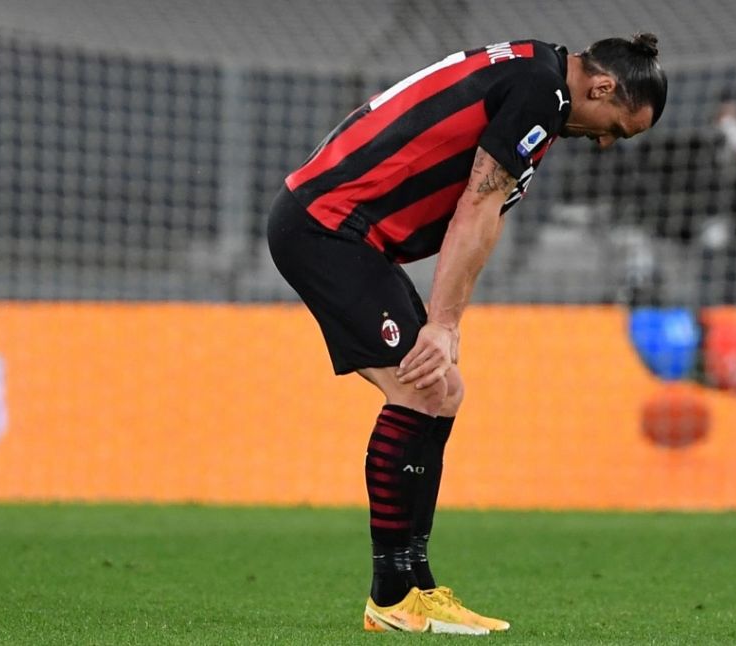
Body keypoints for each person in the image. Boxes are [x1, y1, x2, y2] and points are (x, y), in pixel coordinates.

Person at [267, 33, 667, 634]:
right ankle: (389, 596)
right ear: (603, 87)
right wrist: (444, 322)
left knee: (444, 390)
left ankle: (416, 588)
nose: (607, 142)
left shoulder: (541, 69)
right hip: (327, 228)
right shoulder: (542, 91)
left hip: (351, 233)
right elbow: (477, 208)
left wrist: (442, 323)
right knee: (422, 389)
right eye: (616, 126)